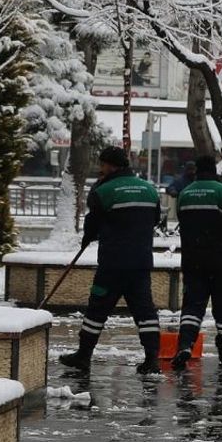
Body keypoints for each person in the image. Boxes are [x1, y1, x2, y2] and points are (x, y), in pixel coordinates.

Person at [58, 146, 163, 373]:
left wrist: (89, 238)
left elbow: (92, 225)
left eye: (102, 164)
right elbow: (155, 220)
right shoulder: (150, 190)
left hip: (112, 263)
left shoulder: (103, 191)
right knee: (145, 311)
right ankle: (152, 359)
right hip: (140, 263)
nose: (100, 168)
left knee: (97, 309)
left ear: (110, 165)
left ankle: (84, 355)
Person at [173, 155, 222, 371]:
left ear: (196, 171)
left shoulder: (185, 194)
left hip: (193, 260)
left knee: (192, 306)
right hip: (220, 260)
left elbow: (182, 220)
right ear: (214, 170)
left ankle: (184, 345)